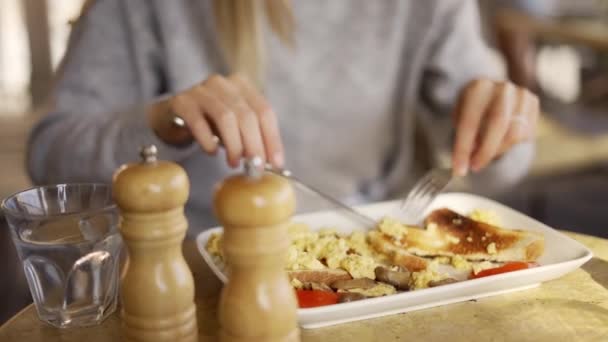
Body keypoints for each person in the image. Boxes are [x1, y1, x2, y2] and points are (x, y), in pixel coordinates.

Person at [27, 0, 539, 231]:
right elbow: (49, 154)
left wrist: (505, 129)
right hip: (210, 267)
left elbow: (504, 167)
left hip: (385, 255)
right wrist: (165, 121)